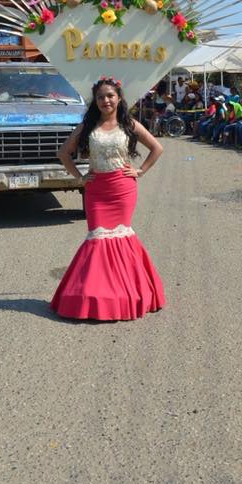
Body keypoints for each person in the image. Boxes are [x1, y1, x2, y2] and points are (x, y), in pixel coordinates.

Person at [51, 77, 164, 321]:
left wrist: (140, 171)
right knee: (97, 240)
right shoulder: (87, 126)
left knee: (121, 239)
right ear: (96, 101)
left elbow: (157, 148)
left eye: (110, 95)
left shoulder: (129, 124)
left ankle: (125, 295)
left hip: (122, 189)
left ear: (119, 98)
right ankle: (95, 297)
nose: (106, 100)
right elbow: (63, 152)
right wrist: (80, 177)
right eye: (101, 97)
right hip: (96, 189)